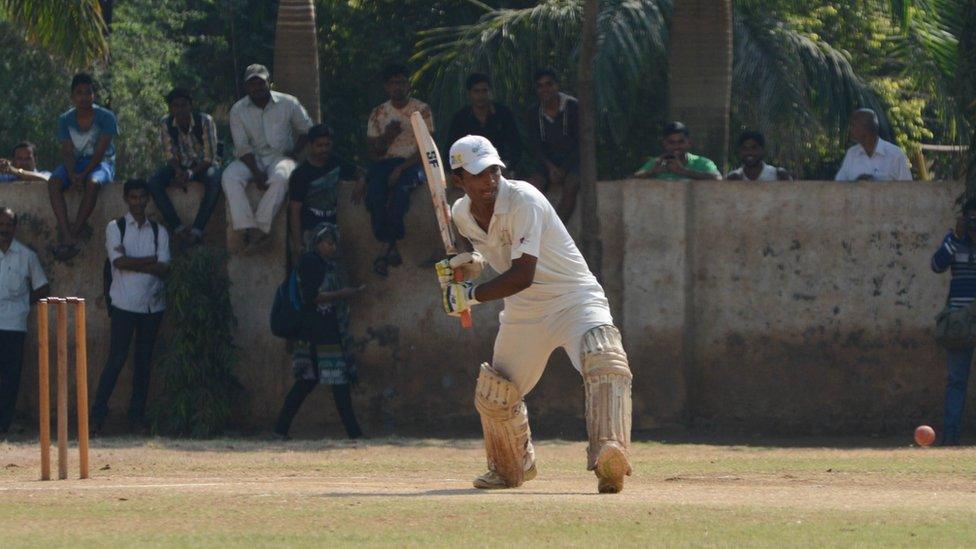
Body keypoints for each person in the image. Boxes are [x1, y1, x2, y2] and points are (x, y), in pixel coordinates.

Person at [437, 135, 633, 493]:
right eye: (479, 174)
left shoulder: (524, 198)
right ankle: (510, 466)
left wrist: (469, 296)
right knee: (496, 392)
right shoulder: (461, 215)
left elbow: (523, 274)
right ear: (458, 180)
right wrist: (472, 266)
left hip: (574, 298)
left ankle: (610, 455)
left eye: (494, 170)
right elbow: (494, 254)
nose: (490, 180)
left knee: (605, 360)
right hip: (524, 311)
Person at [92, 179, 170, 433]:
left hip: (152, 306)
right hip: (124, 304)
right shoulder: (116, 227)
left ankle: (136, 418)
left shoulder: (159, 231)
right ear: (126, 199)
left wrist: (132, 261)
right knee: (115, 360)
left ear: (148, 199)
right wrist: (149, 261)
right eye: (134, 197)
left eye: (142, 197)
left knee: (144, 364)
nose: (138, 202)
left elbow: (164, 268)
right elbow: (118, 263)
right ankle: (96, 417)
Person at [274, 222, 364, 440]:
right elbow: (312, 297)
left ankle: (280, 429)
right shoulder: (311, 263)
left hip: (318, 332)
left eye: (334, 243)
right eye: (329, 243)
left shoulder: (322, 263)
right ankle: (354, 435)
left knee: (308, 383)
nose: (333, 247)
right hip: (319, 333)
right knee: (337, 382)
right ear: (318, 242)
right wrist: (343, 294)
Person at [223, 64, 313, 254]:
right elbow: (242, 147)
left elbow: (307, 129)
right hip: (251, 159)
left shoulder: (289, 102)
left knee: (282, 177)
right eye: (252, 84)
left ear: (269, 83)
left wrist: (295, 152)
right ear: (247, 87)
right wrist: (256, 172)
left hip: (281, 156)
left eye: (261, 82)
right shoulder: (238, 110)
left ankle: (262, 228)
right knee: (229, 177)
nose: (257, 87)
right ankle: (246, 226)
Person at [365, 63, 434, 277]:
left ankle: (387, 246)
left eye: (402, 82)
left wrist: (402, 168)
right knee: (374, 193)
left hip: (414, 162)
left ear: (409, 85)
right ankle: (389, 243)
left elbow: (427, 147)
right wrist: (388, 136)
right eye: (393, 83)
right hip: (385, 163)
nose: (398, 87)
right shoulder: (379, 113)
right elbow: (373, 151)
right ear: (387, 87)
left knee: (402, 191)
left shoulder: (421, 110)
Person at [49, 73, 119, 260]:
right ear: (72, 96)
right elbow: (67, 151)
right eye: (79, 93)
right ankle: (67, 234)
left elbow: (100, 151)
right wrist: (72, 174)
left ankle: (75, 232)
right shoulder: (65, 120)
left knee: (93, 183)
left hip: (101, 162)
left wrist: (83, 175)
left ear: (93, 95)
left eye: (88, 93)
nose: (84, 97)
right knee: (54, 182)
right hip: (75, 164)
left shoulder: (106, 117)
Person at [146, 88, 222, 248]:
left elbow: (209, 157)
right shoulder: (166, 123)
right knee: (154, 182)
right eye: (175, 106)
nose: (180, 110)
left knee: (214, 179)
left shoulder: (205, 121)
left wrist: (190, 173)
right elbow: (169, 154)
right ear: (170, 108)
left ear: (190, 106)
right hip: (180, 167)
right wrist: (179, 171)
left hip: (203, 167)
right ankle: (177, 227)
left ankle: (197, 230)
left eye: (184, 105)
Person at [930, 197, 976, 446]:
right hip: (960, 322)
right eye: (972, 219)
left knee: (957, 380)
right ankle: (951, 436)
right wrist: (955, 239)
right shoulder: (954, 242)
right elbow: (936, 265)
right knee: (957, 380)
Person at [0, 207, 49, 434]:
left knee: (10, 378)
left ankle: (3, 425)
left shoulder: (26, 255)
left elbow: (42, 287)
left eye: (9, 224)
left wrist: (21, 304)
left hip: (14, 325)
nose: (4, 228)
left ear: (15, 227)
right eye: (1, 224)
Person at [288, 124, 364, 255]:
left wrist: (361, 182)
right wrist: (297, 243)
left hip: (332, 228)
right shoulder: (301, 174)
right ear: (311, 145)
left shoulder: (335, 162)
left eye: (327, 145)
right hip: (310, 231)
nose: (324, 149)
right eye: (319, 145)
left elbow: (360, 172)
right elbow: (294, 210)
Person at [525, 69, 580, 221]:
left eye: (549, 84)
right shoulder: (533, 112)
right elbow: (535, 146)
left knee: (571, 186)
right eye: (540, 86)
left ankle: (557, 230)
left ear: (557, 85)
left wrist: (563, 169)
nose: (545, 89)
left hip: (574, 160)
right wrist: (551, 168)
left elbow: (580, 144)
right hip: (548, 161)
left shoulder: (573, 107)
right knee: (531, 190)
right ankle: (533, 230)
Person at [448, 73, 522, 172]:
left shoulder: (503, 114)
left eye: (484, 91)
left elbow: (515, 145)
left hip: (500, 166)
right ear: (469, 93)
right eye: (476, 91)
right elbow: (452, 149)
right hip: (471, 169)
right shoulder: (461, 118)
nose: (481, 96)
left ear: (490, 92)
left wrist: (507, 166)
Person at [835, 108, 912, 182]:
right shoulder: (852, 153)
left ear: (865, 128)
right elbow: (839, 184)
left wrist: (877, 185)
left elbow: (908, 188)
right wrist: (857, 184)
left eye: (853, 125)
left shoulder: (895, 154)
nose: (850, 129)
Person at [633, 121, 721, 181]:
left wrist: (683, 171)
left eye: (681, 142)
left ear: (689, 143)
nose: (676, 146)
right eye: (671, 142)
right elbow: (631, 181)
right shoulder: (657, 162)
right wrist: (651, 172)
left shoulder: (702, 163)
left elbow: (718, 179)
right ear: (664, 144)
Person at [725, 131, 791, 181]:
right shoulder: (733, 178)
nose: (749, 152)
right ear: (740, 152)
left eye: (754, 148)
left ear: (762, 150)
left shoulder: (778, 175)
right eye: (745, 148)